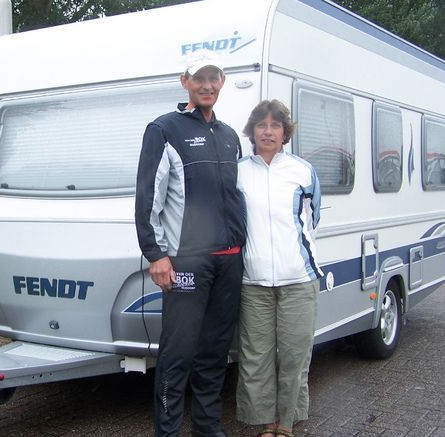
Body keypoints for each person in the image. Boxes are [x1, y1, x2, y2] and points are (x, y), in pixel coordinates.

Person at [134, 49, 246, 437]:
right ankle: (166, 431)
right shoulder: (165, 129)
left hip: (229, 260)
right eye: (199, 78)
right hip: (186, 262)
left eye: (214, 78)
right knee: (178, 352)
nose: (207, 85)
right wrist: (156, 254)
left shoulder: (231, 136)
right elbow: (148, 197)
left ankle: (207, 427)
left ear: (222, 81)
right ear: (185, 81)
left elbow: (236, 197)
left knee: (215, 351)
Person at [235, 100, 323, 437]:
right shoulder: (239, 171)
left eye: (275, 126)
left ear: (285, 133)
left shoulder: (302, 170)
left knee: (293, 356)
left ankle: (286, 424)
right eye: (261, 125)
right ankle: (265, 423)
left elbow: (312, 218)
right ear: (252, 132)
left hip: (299, 279)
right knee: (256, 357)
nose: (268, 131)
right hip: (252, 281)